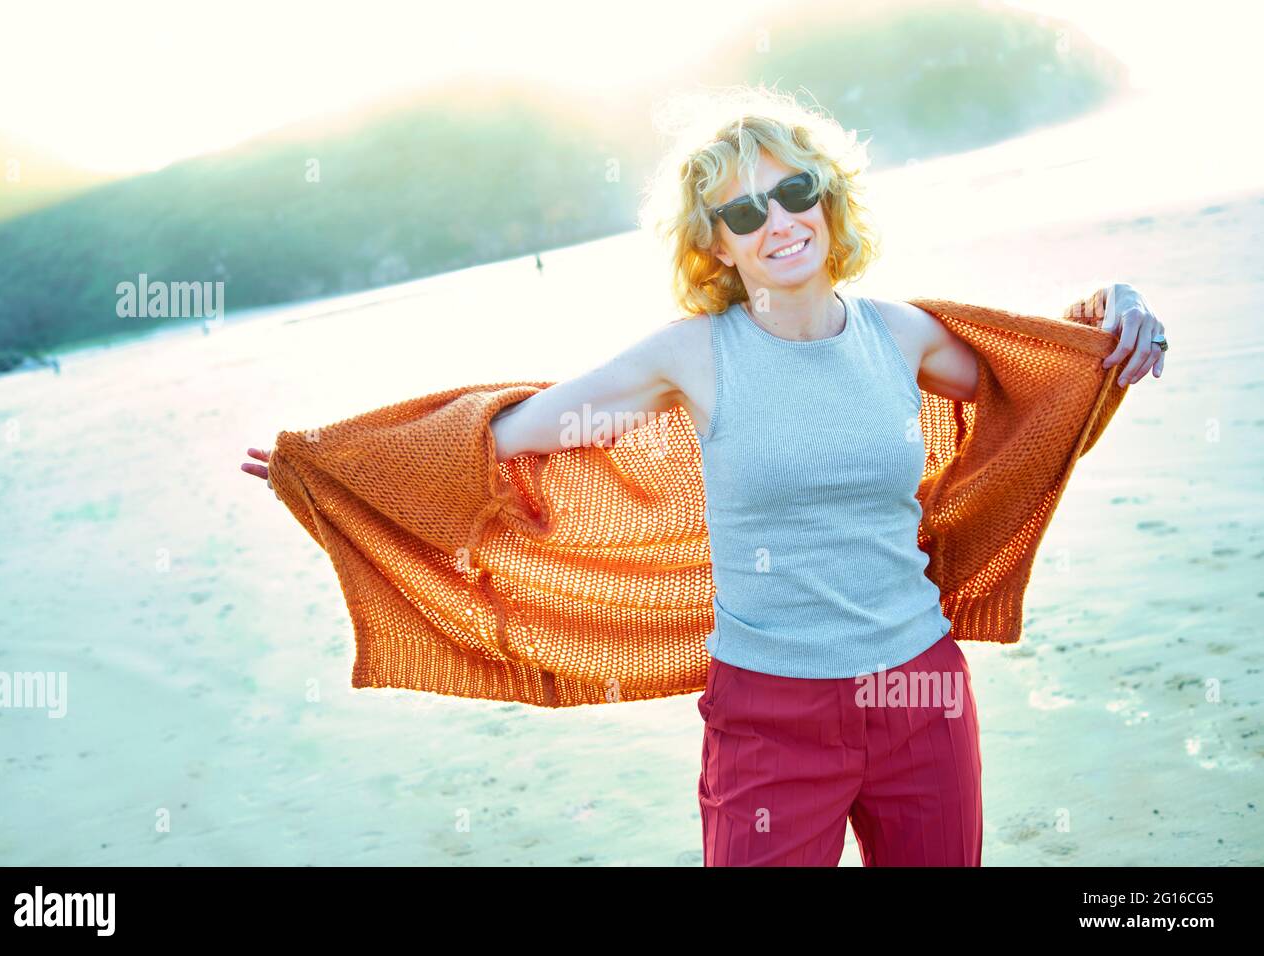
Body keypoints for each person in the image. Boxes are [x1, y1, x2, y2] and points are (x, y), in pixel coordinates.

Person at [242, 85, 1168, 866]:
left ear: (827, 198)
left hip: (920, 695)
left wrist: (1105, 310)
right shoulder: (691, 357)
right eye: (741, 211)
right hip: (771, 719)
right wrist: (334, 463)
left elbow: (1036, 393)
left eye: (792, 189)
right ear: (715, 243)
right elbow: (511, 432)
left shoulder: (901, 335)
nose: (777, 221)